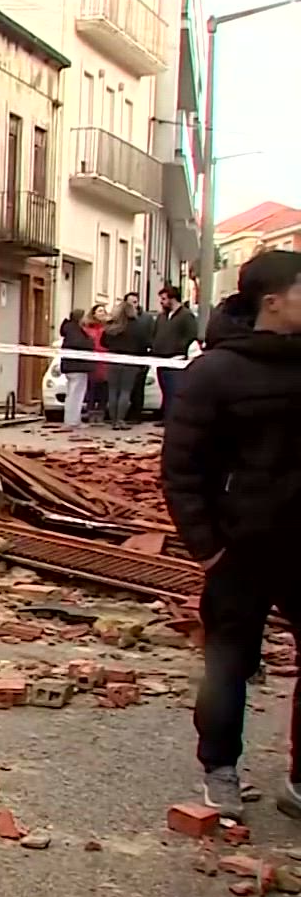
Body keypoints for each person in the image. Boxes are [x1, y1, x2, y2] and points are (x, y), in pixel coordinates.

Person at [160, 248, 301, 821]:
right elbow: (181, 470)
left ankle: (300, 780)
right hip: (241, 547)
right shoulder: (215, 373)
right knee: (228, 663)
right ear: (273, 301)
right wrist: (209, 549)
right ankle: (220, 769)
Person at [150, 284, 198, 418]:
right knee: (165, 390)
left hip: (176, 360)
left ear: (172, 299)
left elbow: (191, 335)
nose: (161, 302)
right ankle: (166, 416)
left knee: (174, 390)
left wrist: (178, 348)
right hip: (161, 360)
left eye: (164, 299)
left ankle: (173, 418)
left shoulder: (186, 316)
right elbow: (155, 334)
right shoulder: (162, 317)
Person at [102, 298, 149, 430]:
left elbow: (103, 342)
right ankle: (120, 420)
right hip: (130, 361)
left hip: (113, 360)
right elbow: (144, 343)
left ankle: (113, 420)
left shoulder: (112, 326)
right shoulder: (138, 326)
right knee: (125, 391)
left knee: (112, 391)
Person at [57, 309, 95, 427]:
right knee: (76, 395)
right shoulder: (75, 331)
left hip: (73, 366)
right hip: (77, 367)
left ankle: (72, 419)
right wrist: (90, 341)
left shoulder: (71, 329)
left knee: (73, 394)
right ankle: (73, 421)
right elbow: (81, 344)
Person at [123, 293, 154, 422]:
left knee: (138, 387)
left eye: (135, 302)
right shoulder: (121, 317)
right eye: (130, 302)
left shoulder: (146, 318)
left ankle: (136, 414)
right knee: (125, 387)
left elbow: (151, 335)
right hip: (124, 357)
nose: (133, 305)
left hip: (141, 356)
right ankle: (123, 413)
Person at [84, 303, 110, 422]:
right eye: (99, 311)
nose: (102, 313)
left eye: (103, 311)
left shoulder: (108, 328)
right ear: (93, 314)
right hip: (92, 360)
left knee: (104, 387)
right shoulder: (88, 328)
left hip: (105, 360)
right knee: (92, 387)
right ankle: (90, 411)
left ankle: (101, 411)